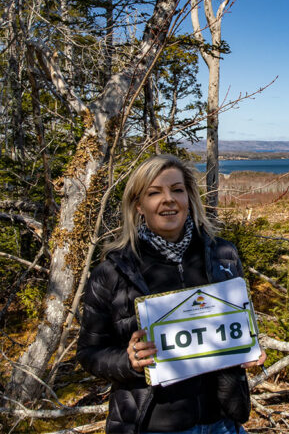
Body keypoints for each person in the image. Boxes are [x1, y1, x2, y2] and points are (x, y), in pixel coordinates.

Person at [77, 154, 266, 434]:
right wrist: (128, 361)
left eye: (177, 190)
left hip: (222, 422)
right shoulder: (113, 272)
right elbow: (89, 353)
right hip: (152, 425)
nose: (168, 199)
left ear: (189, 198)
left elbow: (235, 327)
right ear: (138, 205)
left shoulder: (223, 256)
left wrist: (246, 349)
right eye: (154, 193)